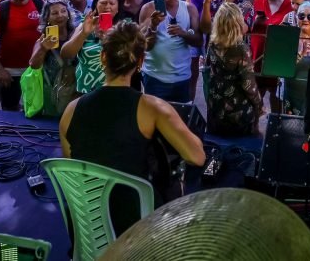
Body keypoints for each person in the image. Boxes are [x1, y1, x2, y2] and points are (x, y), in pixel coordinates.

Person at [59, 22, 205, 231]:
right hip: (136, 227)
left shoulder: (71, 110)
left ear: (103, 58)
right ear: (140, 62)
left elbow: (73, 169)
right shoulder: (152, 107)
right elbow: (197, 156)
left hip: (87, 224)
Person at [138, 0, 202, 102]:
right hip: (155, 77)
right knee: (155, 119)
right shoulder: (148, 9)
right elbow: (144, 45)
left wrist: (183, 33)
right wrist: (153, 26)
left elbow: (199, 41)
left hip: (182, 78)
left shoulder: (189, 9)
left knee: (181, 117)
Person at [204, 2, 263, 136]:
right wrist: (259, 105)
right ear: (237, 23)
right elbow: (249, 85)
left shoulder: (213, 42)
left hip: (215, 106)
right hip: (237, 112)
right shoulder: (241, 49)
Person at [61, 0, 120, 94]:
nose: (107, 6)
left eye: (112, 3)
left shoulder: (124, 26)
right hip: (86, 87)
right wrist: (84, 33)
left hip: (115, 86)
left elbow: (128, 59)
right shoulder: (85, 23)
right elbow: (66, 54)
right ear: (96, 5)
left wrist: (107, 39)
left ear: (118, 8)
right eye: (103, 3)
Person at [27, 0, 79, 117]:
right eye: (54, 13)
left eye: (63, 11)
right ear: (47, 18)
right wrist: (43, 48)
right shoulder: (43, 39)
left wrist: (73, 69)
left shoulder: (76, 34)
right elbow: (33, 65)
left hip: (76, 92)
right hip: (52, 94)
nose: (60, 15)